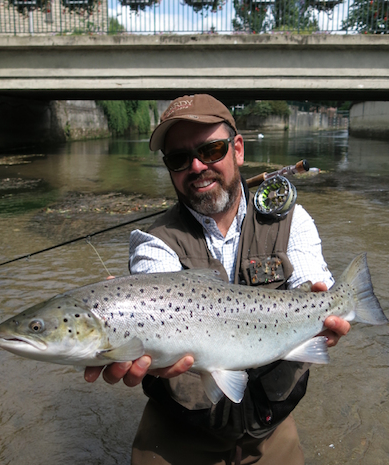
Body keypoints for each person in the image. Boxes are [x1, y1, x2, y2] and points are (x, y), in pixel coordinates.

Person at [85, 94, 350, 465]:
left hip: (270, 425)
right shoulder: (154, 240)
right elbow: (151, 284)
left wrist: (326, 306)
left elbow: (311, 282)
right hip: (179, 430)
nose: (196, 166)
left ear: (237, 149)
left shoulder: (292, 221)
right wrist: (123, 309)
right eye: (179, 159)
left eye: (211, 150)